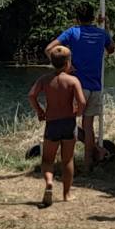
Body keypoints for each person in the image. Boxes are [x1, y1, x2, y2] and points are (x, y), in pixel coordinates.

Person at [53, 3, 115, 170]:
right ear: (93, 17)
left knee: (67, 122)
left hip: (78, 85)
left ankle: (69, 161)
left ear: (77, 18)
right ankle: (88, 163)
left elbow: (50, 49)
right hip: (95, 86)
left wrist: (64, 66)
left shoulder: (73, 32)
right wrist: (105, 27)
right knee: (88, 126)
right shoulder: (101, 34)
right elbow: (111, 49)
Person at [29, 44, 86, 206]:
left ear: (52, 62)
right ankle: (67, 194)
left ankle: (49, 182)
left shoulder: (44, 80)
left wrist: (40, 111)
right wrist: (78, 112)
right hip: (68, 122)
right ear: (68, 63)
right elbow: (82, 102)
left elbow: (31, 95)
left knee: (48, 159)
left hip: (52, 123)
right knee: (67, 160)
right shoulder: (73, 80)